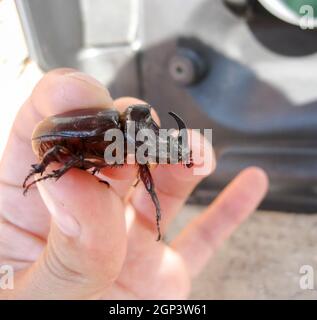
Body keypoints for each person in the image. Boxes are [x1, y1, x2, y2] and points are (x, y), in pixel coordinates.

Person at [0, 69, 268, 299]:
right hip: (51, 141)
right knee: (75, 157)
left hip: (67, 144)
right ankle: (41, 172)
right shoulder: (108, 129)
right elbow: (75, 154)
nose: (156, 149)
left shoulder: (126, 144)